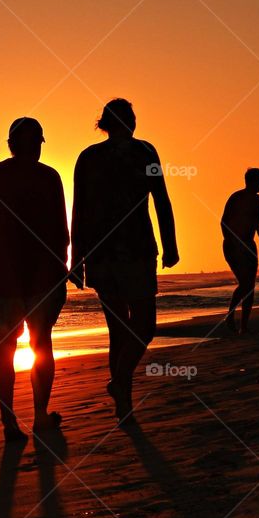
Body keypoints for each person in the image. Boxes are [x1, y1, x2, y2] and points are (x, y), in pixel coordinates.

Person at [69, 99, 178, 422]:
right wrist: (170, 244)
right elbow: (161, 198)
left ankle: (122, 395)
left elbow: (78, 212)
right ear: (129, 121)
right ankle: (122, 394)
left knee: (122, 330)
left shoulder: (94, 157)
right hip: (131, 251)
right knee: (141, 327)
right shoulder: (143, 152)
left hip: (107, 253)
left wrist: (76, 257)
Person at [0, 117, 69, 442]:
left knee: (6, 347)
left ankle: (11, 420)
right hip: (34, 277)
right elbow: (61, 234)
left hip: (4, 277)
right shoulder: (48, 177)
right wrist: (61, 269)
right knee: (40, 343)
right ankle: (38, 416)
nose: (34, 149)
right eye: (35, 143)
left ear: (10, 145)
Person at [220, 168, 259, 333]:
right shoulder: (236, 197)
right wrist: (233, 242)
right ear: (252, 181)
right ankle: (230, 316)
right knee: (245, 284)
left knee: (250, 286)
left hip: (249, 246)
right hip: (233, 246)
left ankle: (244, 326)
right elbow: (223, 222)